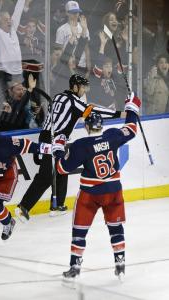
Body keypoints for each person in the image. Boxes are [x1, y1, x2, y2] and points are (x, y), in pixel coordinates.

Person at [15, 74, 126, 222]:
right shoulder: (74, 102)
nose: (84, 91)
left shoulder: (58, 97)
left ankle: (58, 205)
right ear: (74, 87)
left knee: (62, 168)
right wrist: (120, 113)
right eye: (82, 87)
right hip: (52, 139)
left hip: (53, 137)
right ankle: (23, 207)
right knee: (46, 175)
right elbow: (91, 111)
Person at [57, 92, 141, 282]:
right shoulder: (113, 135)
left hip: (90, 194)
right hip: (113, 192)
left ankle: (75, 267)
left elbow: (62, 168)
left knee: (79, 230)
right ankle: (120, 265)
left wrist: (59, 150)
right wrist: (131, 107)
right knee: (116, 227)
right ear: (101, 125)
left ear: (87, 126)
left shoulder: (80, 145)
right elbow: (132, 129)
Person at [0, 0, 25, 83]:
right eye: (6, 20)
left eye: (9, 19)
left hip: (18, 74)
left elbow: (18, 11)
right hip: (4, 74)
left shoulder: (13, 30)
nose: (9, 21)